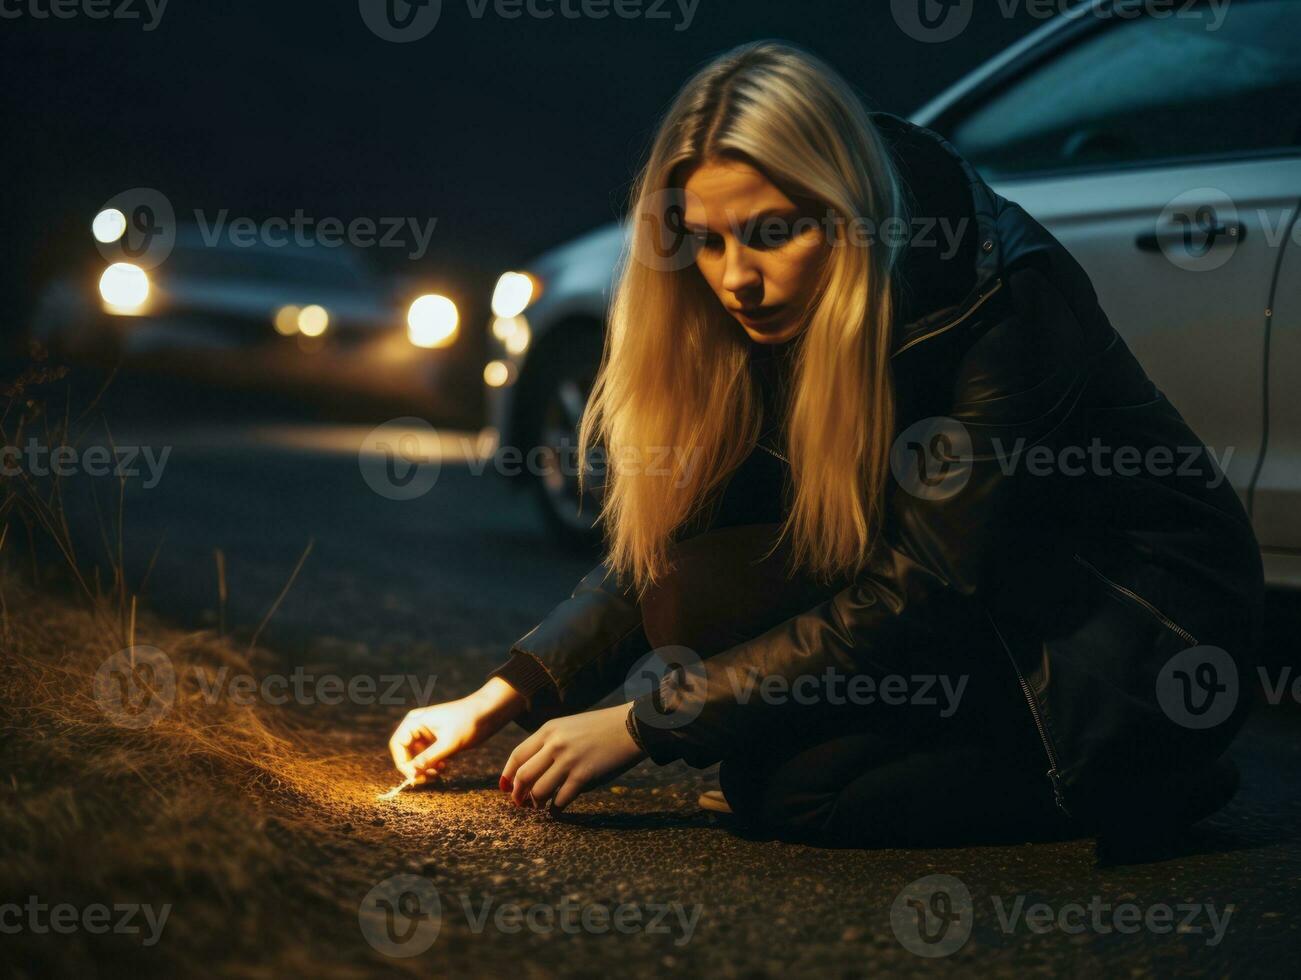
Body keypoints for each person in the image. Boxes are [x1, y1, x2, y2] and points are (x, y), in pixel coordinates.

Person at [389, 40, 1264, 848]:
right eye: (707, 240)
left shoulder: (990, 303)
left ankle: (1140, 776)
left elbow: (926, 586)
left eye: (774, 231)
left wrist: (643, 724)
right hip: (985, 609)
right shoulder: (766, 317)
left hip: (1122, 630)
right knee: (686, 594)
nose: (736, 278)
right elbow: (666, 537)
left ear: (848, 211)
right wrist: (500, 698)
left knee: (796, 795)